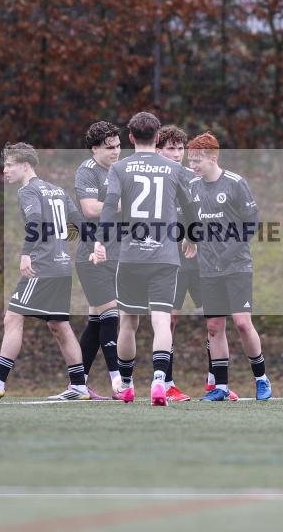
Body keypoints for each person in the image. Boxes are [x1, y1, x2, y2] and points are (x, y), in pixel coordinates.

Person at [0, 143, 91, 401]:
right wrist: (89, 246)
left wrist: (25, 253)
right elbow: (79, 222)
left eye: (9, 165)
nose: (5, 170)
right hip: (62, 267)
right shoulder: (56, 190)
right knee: (59, 325)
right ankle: (79, 386)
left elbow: (34, 223)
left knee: (13, 317)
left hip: (41, 267)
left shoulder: (28, 191)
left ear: (25, 165)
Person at [91, 112, 198, 406]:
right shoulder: (174, 168)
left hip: (131, 257)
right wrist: (192, 236)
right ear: (159, 136)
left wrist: (100, 241)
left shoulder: (120, 168)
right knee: (161, 321)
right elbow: (188, 208)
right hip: (165, 257)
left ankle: (125, 384)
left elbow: (111, 207)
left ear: (130, 138)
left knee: (128, 322)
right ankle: (160, 383)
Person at [156, 126, 240, 401]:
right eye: (171, 148)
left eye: (180, 148)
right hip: (172, 263)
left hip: (204, 263)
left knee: (214, 323)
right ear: (158, 150)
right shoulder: (156, 180)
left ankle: (215, 382)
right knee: (168, 322)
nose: (177, 154)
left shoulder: (195, 176)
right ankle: (166, 382)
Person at [186, 133, 271, 402]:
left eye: (197, 160)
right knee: (214, 326)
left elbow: (252, 223)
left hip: (237, 266)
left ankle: (261, 378)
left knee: (243, 323)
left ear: (213, 158)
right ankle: (220, 387)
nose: (193, 165)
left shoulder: (235, 184)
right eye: (191, 161)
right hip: (208, 269)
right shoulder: (193, 187)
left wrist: (229, 253)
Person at [74, 122, 123, 400]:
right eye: (109, 148)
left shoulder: (120, 169)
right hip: (92, 255)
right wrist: (123, 202)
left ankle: (77, 382)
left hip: (117, 253)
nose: (116, 152)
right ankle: (119, 383)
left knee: (96, 322)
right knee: (110, 314)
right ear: (94, 148)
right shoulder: (87, 171)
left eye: (118, 146)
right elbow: (90, 208)